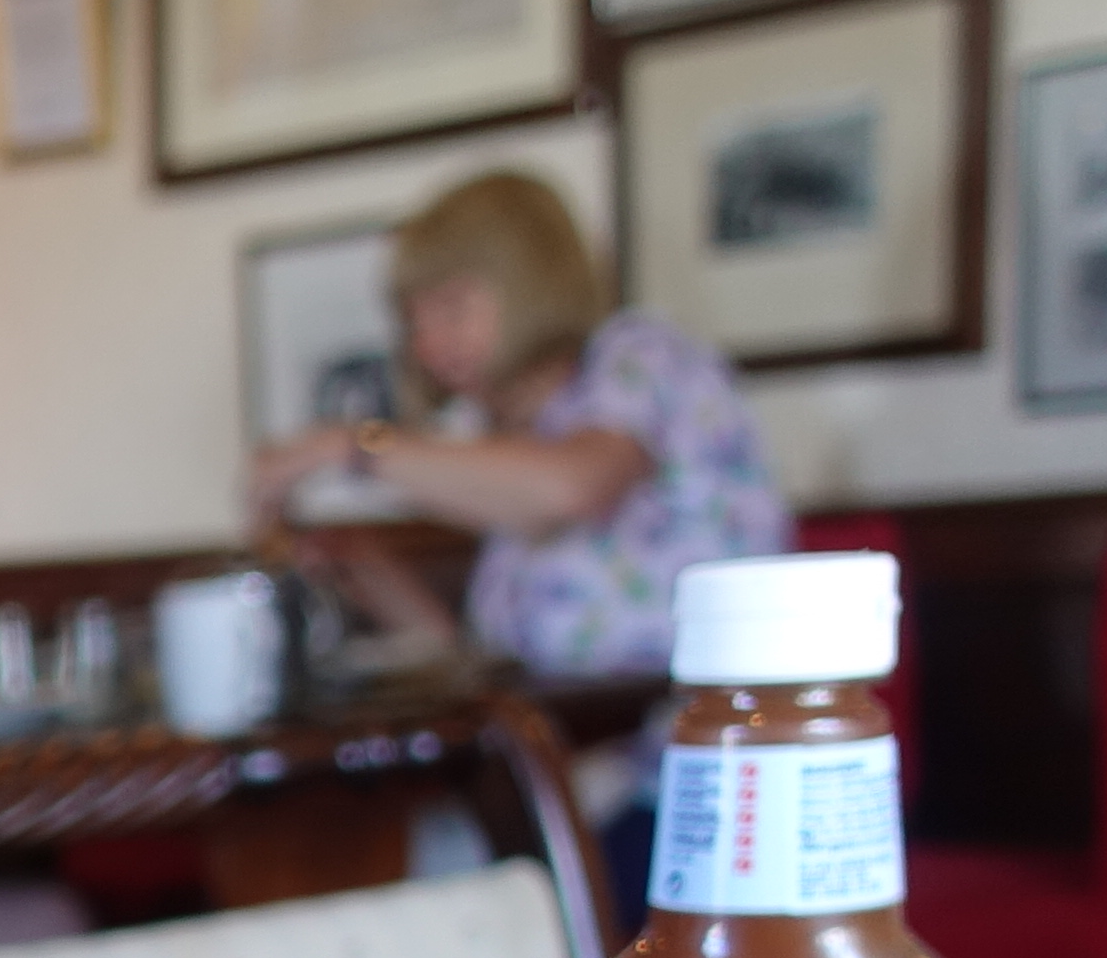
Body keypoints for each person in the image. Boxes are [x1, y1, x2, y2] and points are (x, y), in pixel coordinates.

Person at [243, 170, 786, 682]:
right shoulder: (503, 433)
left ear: (531, 284)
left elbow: (572, 488)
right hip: (570, 736)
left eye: (452, 308)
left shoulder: (640, 357)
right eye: (414, 322)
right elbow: (486, 662)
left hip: (691, 730)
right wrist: (375, 580)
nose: (428, 345)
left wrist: (350, 445)